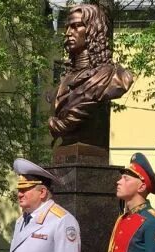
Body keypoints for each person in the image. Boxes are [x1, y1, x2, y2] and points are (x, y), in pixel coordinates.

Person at [47, 4, 133, 147]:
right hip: (66, 151)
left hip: (91, 149)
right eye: (68, 27)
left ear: (92, 29)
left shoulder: (112, 77)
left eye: (76, 26)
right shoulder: (62, 83)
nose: (68, 32)